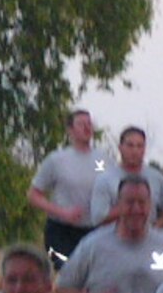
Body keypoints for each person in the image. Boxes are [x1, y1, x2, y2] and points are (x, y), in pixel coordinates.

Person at [27, 108, 105, 266]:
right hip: (60, 230)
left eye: (89, 123)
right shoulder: (57, 160)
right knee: (67, 272)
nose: (87, 128)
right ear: (70, 130)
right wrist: (62, 212)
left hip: (93, 229)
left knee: (91, 276)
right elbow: (33, 195)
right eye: (81, 124)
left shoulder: (104, 160)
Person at [86, 124, 163, 230]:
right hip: (114, 240)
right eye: (130, 145)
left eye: (139, 146)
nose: (135, 151)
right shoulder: (105, 179)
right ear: (120, 148)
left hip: (147, 241)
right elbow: (98, 218)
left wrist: (155, 230)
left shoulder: (157, 178)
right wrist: (127, 208)